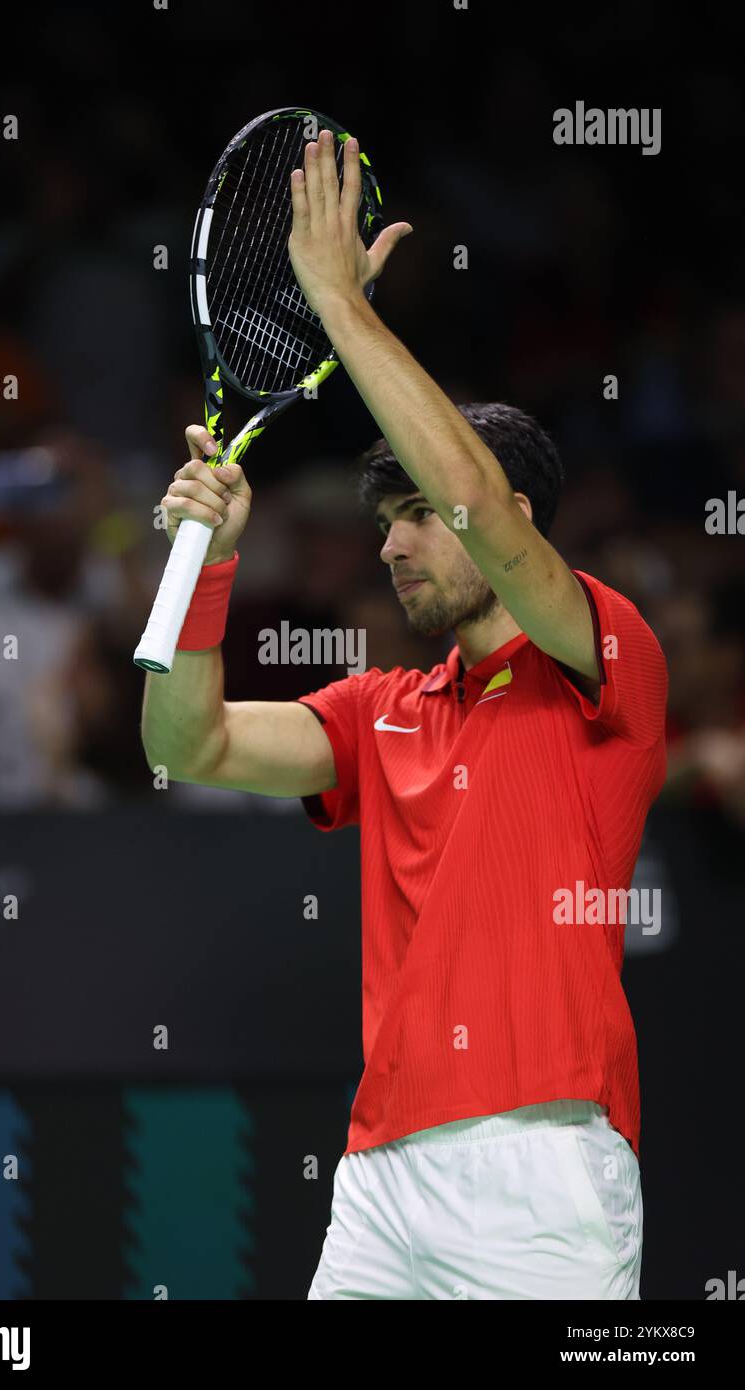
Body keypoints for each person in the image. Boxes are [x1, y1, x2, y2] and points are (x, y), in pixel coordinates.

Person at [139, 131, 667, 1300]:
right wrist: (198, 566)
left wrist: (335, 303)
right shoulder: (381, 713)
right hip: (377, 1181)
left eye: (414, 515)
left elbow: (478, 500)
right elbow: (187, 742)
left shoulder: (606, 658)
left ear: (509, 513)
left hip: (543, 1173)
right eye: (382, 521)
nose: (391, 543)